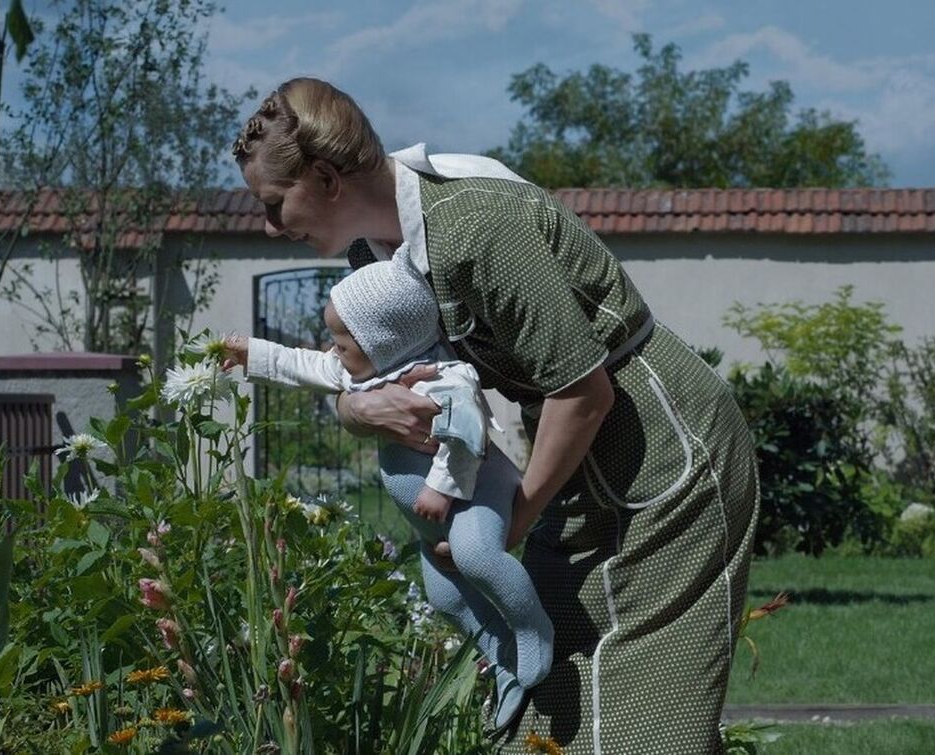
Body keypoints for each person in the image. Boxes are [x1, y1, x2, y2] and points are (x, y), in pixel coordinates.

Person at [231, 77, 759, 753]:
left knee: (645, 726)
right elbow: (359, 380)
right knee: (545, 703)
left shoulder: (475, 226)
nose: (272, 226)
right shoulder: (375, 255)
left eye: (276, 204)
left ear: (327, 177)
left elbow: (583, 393)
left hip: (661, 451)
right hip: (570, 459)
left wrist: (511, 522)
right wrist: (360, 410)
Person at [222, 249, 552, 729]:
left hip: (474, 493)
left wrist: (440, 488)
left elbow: (468, 434)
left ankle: (532, 630)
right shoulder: (367, 371)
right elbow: (304, 364)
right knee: (445, 598)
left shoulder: (445, 377)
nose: (332, 350)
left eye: (341, 341)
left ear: (382, 340)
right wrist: (249, 353)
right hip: (430, 522)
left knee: (478, 556)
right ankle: (500, 656)